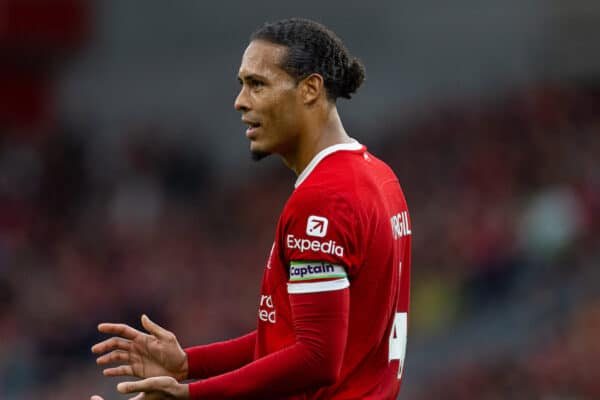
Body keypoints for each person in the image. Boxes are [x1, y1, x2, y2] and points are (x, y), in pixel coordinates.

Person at [90, 18, 411, 400]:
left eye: (257, 84)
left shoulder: (324, 199)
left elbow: (318, 357)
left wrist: (192, 396)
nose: (240, 101)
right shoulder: (379, 177)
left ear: (310, 89)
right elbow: (299, 334)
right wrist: (189, 364)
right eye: (242, 84)